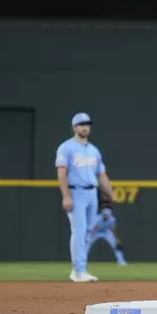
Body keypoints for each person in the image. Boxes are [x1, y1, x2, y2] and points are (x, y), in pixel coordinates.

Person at [56, 112, 114, 282]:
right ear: (74, 127)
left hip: (91, 193)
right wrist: (66, 196)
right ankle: (77, 270)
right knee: (79, 231)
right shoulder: (66, 147)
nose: (85, 127)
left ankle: (81, 268)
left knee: (88, 231)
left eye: (87, 124)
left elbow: (101, 175)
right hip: (76, 192)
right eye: (81, 124)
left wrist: (109, 193)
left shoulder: (93, 150)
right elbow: (61, 173)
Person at [87, 201, 127, 266]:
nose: (106, 217)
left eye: (107, 216)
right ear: (103, 214)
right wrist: (89, 237)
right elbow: (93, 228)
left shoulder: (112, 219)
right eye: (105, 215)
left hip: (106, 232)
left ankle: (121, 261)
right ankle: (82, 260)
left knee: (115, 246)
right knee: (87, 245)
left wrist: (116, 239)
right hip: (96, 232)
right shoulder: (97, 218)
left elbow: (112, 229)